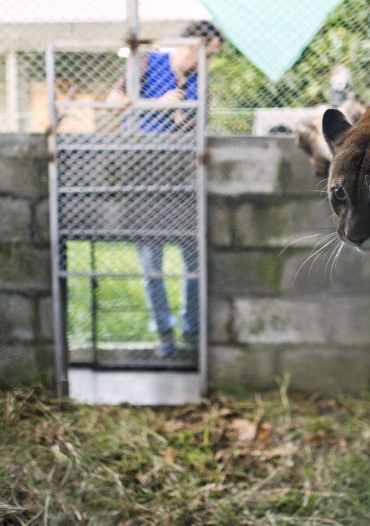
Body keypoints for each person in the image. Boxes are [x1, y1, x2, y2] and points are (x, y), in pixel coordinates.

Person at [107, 21, 223, 357]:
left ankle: (191, 329)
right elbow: (112, 102)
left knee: (192, 258)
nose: (208, 63)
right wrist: (157, 103)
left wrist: (183, 117)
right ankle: (164, 334)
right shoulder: (147, 62)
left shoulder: (201, 84)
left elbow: (198, 128)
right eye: (207, 54)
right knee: (151, 263)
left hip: (183, 178)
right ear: (190, 44)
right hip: (142, 173)